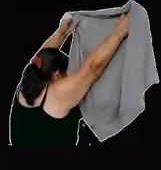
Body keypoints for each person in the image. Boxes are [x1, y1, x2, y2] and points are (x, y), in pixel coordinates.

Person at [9, 12, 130, 146]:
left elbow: (44, 56)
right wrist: (119, 33)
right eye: (67, 74)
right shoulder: (58, 94)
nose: (70, 77)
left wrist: (62, 32)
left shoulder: (28, 81)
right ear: (56, 75)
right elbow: (92, 68)